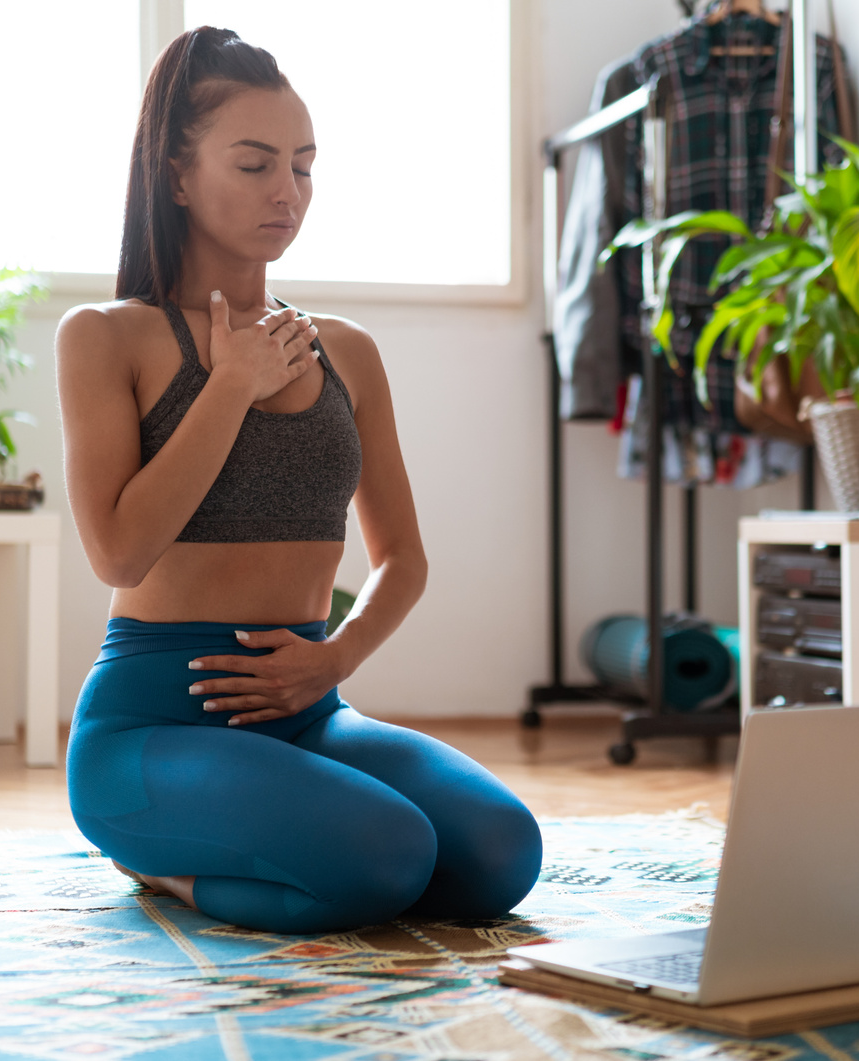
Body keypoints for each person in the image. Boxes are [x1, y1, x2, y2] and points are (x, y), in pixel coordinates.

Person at [57, 27, 542, 934]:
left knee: (501, 851)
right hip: (153, 726)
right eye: (253, 165)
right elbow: (118, 551)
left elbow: (402, 558)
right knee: (386, 854)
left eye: (304, 166)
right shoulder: (105, 337)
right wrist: (230, 386)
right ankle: (160, 866)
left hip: (308, 708)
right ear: (175, 175)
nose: (287, 192)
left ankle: (287, 845)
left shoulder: (346, 350)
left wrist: (337, 658)